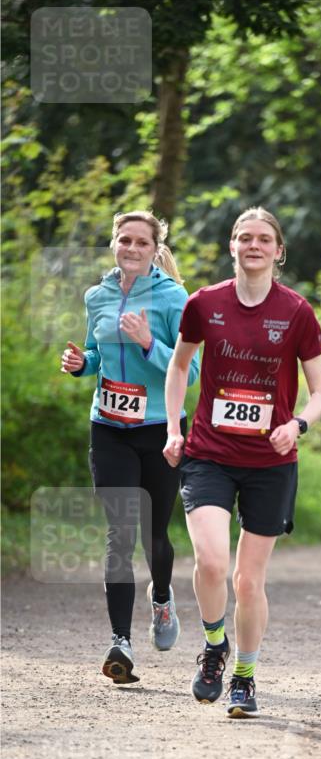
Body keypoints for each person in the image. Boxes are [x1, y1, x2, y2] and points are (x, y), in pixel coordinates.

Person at [163, 206, 321, 717]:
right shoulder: (203, 303)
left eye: (263, 239)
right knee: (212, 562)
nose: (253, 245)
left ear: (278, 251)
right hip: (209, 453)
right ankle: (215, 647)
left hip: (271, 461)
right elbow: (179, 365)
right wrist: (174, 428)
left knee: (247, 581)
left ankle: (245, 677)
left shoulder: (297, 311)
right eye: (244, 238)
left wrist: (296, 424)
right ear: (232, 247)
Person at [61, 210, 199, 684]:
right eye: (125, 240)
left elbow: (191, 372)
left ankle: (161, 598)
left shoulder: (174, 298)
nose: (132, 248)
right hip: (109, 426)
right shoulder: (96, 295)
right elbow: (96, 353)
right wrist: (82, 364)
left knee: (154, 533)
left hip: (161, 429)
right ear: (114, 243)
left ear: (155, 247)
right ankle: (120, 641)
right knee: (120, 533)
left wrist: (147, 345)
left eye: (142, 242)